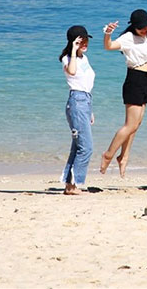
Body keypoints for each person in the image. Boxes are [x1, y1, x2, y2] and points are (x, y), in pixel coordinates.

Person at [99, 9, 147, 177]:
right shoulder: (128, 38)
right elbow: (108, 46)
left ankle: (124, 157)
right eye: (142, 28)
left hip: (146, 79)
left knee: (136, 126)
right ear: (134, 27)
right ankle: (108, 155)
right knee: (130, 125)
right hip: (134, 79)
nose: (145, 30)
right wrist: (108, 34)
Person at [60, 25, 95, 196]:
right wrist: (73, 50)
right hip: (76, 102)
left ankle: (69, 185)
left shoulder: (85, 58)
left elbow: (87, 85)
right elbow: (72, 72)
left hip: (85, 102)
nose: (85, 44)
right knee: (86, 147)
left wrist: (90, 110)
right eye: (82, 41)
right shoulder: (68, 59)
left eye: (86, 40)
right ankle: (74, 184)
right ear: (75, 42)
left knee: (77, 146)